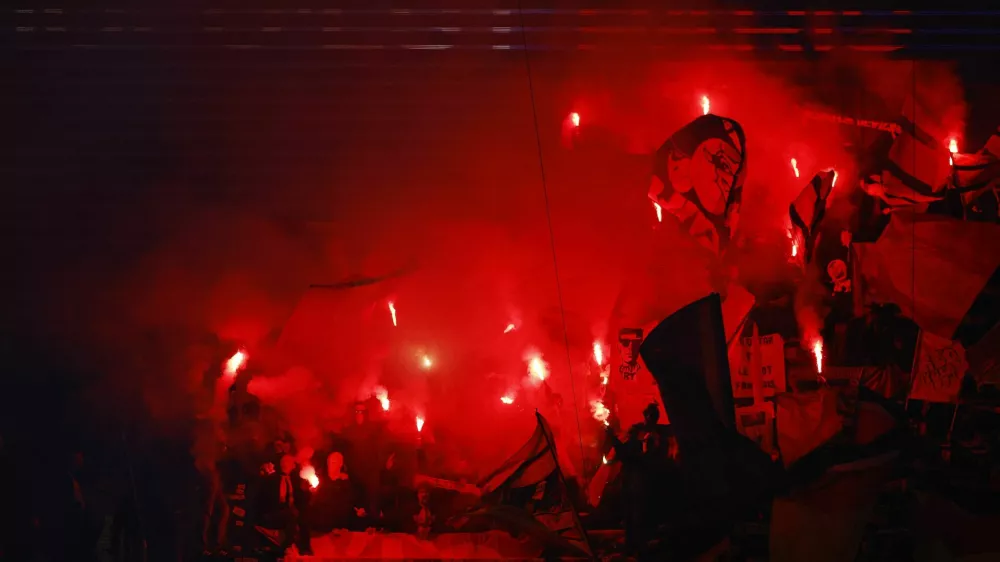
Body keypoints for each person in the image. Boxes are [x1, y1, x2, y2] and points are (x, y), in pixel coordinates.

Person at [256, 455, 311, 555]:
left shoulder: (296, 481)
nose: (285, 465)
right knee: (291, 515)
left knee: (302, 517)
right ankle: (286, 546)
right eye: (283, 462)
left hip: (291, 512)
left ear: (293, 466)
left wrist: (307, 492)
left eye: (288, 462)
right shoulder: (271, 480)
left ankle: (305, 549)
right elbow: (263, 499)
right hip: (274, 512)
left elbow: (301, 499)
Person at [343, 401, 385, 530]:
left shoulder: (372, 430)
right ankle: (358, 526)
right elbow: (346, 450)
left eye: (362, 412)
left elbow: (379, 449)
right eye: (357, 412)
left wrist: (379, 466)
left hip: (370, 471)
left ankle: (374, 525)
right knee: (356, 501)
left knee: (372, 499)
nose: (359, 415)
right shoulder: (349, 431)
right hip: (355, 471)